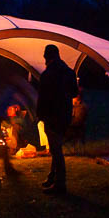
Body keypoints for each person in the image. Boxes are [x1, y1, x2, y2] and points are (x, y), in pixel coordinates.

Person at [36, 45, 78, 195]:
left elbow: (42, 97)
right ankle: (52, 177)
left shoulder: (47, 74)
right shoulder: (69, 72)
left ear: (47, 57)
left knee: (56, 150)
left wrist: (40, 114)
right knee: (56, 147)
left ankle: (60, 184)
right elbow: (74, 92)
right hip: (65, 115)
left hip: (52, 116)